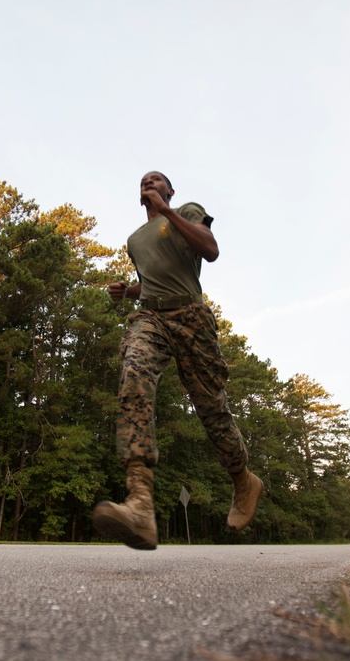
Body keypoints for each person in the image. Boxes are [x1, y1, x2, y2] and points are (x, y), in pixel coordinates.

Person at [91, 171, 263, 550]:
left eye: (156, 180)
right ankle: (139, 503)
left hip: (191, 319)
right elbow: (151, 282)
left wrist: (168, 211)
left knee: (212, 411)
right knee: (133, 374)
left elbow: (210, 250)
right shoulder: (135, 239)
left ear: (169, 190)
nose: (148, 183)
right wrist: (128, 290)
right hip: (151, 318)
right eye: (143, 182)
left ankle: (243, 479)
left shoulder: (186, 210)